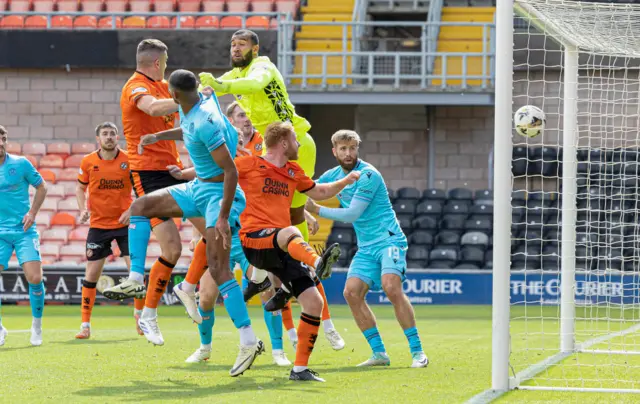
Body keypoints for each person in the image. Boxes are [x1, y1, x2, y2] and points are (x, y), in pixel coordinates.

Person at [199, 30, 345, 351]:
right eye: (232, 45)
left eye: (242, 45)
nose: (236, 49)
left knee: (287, 216)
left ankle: (292, 273)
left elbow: (249, 85)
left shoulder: (263, 67)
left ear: (255, 48)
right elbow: (211, 87)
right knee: (266, 217)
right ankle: (269, 279)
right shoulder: (237, 74)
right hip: (273, 148)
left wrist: (220, 85)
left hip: (295, 143)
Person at [135, 69, 263, 376]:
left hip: (217, 195)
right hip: (198, 187)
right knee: (140, 205)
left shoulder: (206, 121)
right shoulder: (197, 101)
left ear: (175, 94)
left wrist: (221, 216)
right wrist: (158, 136)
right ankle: (135, 278)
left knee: (219, 270)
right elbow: (186, 129)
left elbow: (231, 172)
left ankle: (249, 340)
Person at [235, 121, 359, 382]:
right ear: (283, 143)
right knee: (292, 232)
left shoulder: (293, 170)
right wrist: (181, 174)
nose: (300, 144)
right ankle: (318, 262)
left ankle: (300, 369)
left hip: (281, 247)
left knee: (315, 302)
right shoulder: (249, 164)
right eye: (295, 140)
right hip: (255, 240)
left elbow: (320, 191)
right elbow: (215, 172)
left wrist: (346, 181)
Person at [103, 39, 207, 342]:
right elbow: (151, 108)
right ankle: (146, 309)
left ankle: (185, 287)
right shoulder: (135, 86)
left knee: (214, 235)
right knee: (172, 248)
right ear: (158, 62)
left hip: (173, 170)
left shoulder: (165, 85)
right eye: (165, 60)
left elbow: (182, 124)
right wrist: (188, 98)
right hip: (147, 173)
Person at [305, 130, 429, 369]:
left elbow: (352, 214)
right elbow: (307, 190)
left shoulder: (368, 175)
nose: (348, 153)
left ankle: (417, 352)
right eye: (343, 149)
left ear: (357, 149)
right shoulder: (333, 175)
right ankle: (379, 353)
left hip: (389, 240)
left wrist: (317, 210)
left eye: (352, 148)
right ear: (334, 151)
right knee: (351, 293)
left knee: (391, 287)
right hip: (367, 247)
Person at [167, 126, 290, 366]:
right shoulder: (216, 165)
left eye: (243, 134)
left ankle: (278, 351)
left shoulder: (255, 164)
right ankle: (204, 348)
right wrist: (195, 233)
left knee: (267, 289)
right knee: (206, 297)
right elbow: (203, 199)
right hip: (221, 237)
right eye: (235, 134)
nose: (240, 135)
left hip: (248, 237)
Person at [75, 122, 133, 339]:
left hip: (125, 224)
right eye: (105, 134)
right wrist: (82, 209)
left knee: (135, 271)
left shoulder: (129, 160)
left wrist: (132, 209)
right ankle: (85, 325)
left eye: (112, 134)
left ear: (117, 137)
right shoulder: (88, 161)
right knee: (91, 275)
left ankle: (141, 317)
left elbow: (141, 189)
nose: (109, 137)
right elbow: (80, 187)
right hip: (98, 226)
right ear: (98, 138)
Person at [0, 125, 48, 347]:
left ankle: (36, 326)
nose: (1, 143)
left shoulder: (20, 164)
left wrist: (33, 212)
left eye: (3, 139)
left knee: (35, 278)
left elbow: (42, 187)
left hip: (23, 231)